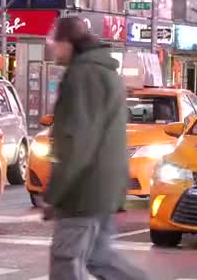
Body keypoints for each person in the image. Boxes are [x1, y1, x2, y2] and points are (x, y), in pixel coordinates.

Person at [44, 17, 149, 279]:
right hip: (102, 186)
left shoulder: (83, 75)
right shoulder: (102, 71)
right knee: (99, 260)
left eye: (54, 42)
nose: (52, 48)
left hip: (83, 190)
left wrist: (55, 194)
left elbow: (76, 141)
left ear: (68, 43)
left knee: (65, 260)